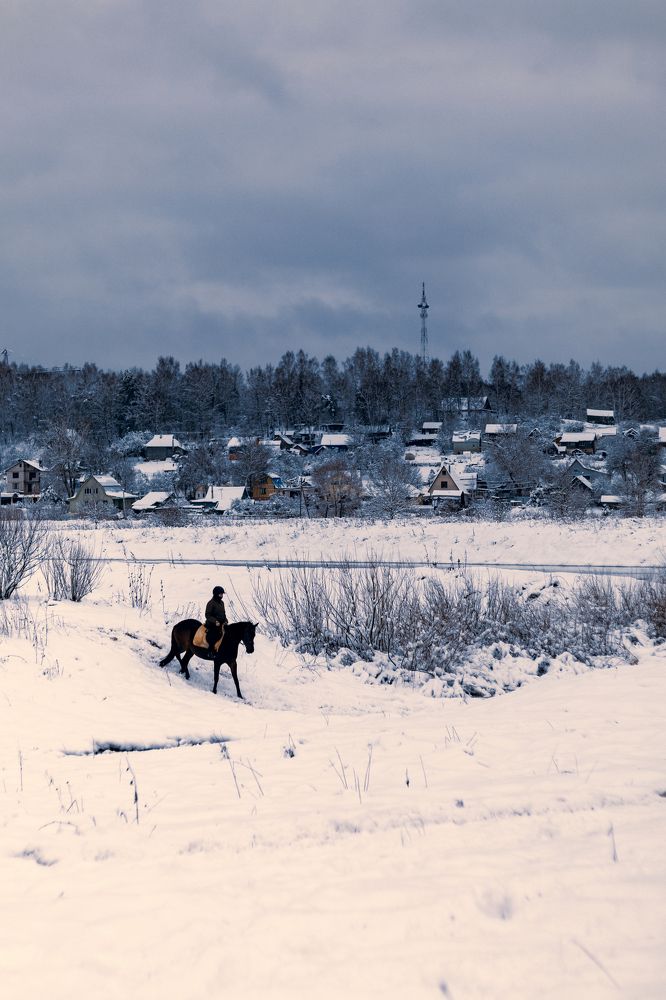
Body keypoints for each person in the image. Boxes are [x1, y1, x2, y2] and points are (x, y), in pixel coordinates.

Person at [205, 585, 228, 651]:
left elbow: (223, 613)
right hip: (212, 624)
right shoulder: (211, 603)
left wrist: (225, 620)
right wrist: (215, 621)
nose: (222, 596)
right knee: (214, 636)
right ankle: (210, 651)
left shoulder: (222, 603)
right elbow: (207, 615)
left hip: (221, 623)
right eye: (220, 594)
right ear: (216, 594)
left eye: (222, 594)